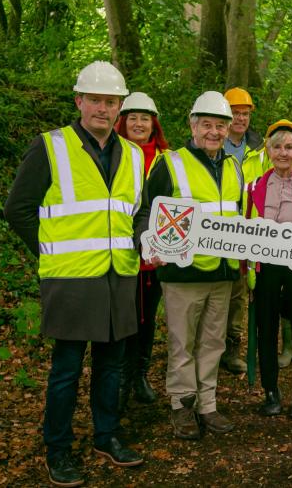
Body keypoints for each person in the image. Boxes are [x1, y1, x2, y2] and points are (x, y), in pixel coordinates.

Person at [4, 61, 145, 486]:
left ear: (120, 107)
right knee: (66, 368)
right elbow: (18, 210)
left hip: (118, 275)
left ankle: (106, 435)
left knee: (112, 365)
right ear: (79, 100)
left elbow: (133, 214)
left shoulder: (134, 154)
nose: (103, 109)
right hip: (70, 278)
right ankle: (59, 449)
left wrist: (142, 239)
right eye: (96, 100)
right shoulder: (50, 147)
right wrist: (49, 253)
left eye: (111, 102)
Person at [142, 91, 241, 439]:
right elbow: (146, 210)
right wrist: (149, 242)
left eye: (220, 126)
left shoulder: (234, 166)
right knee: (182, 341)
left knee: (213, 342)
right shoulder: (171, 164)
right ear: (193, 125)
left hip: (224, 271)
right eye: (207, 125)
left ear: (228, 129)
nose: (214, 132)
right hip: (182, 272)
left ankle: (208, 405)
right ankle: (182, 404)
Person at [245, 120, 292, 418]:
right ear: (269, 151)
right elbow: (244, 231)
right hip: (265, 266)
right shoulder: (254, 186)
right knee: (266, 330)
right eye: (277, 147)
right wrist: (245, 273)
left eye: (289, 147)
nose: (283, 152)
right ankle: (271, 392)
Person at [114, 92, 168, 411]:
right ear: (123, 122)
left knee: (147, 319)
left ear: (153, 124)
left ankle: (140, 376)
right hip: (122, 253)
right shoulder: (114, 153)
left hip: (157, 256)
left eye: (144, 119)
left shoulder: (167, 157)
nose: (138, 123)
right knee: (125, 319)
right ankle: (121, 378)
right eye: (132, 118)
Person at [220, 87, 262, 375]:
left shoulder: (259, 147)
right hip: (215, 226)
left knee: (237, 292)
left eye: (245, 114)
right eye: (235, 113)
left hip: (246, 229)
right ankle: (209, 345)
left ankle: (232, 346)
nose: (240, 118)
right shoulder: (210, 142)